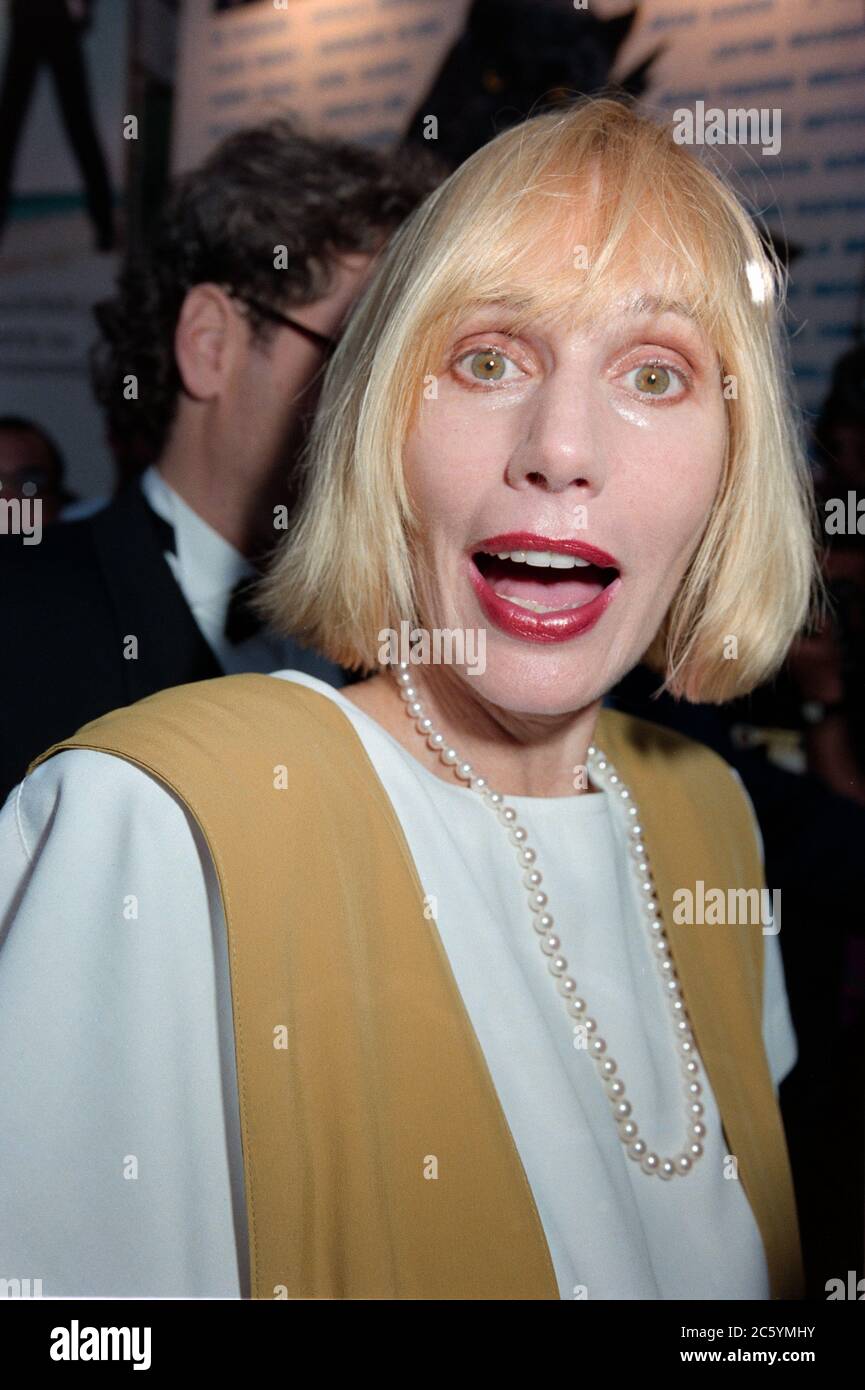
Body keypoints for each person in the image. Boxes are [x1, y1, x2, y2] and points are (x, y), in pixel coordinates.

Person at [0, 97, 820, 1300]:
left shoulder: (709, 818)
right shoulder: (154, 825)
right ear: (380, 425)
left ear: (731, 472)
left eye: (656, 373)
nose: (561, 444)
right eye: (487, 359)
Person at [0, 118, 441, 803]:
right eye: (361, 354)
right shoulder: (18, 617)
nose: (397, 407)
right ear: (210, 345)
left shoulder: (432, 641)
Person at [0, 0, 114, 251]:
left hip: (45, 17)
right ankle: (106, 227)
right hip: (41, 16)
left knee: (76, 125)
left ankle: (106, 227)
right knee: (77, 125)